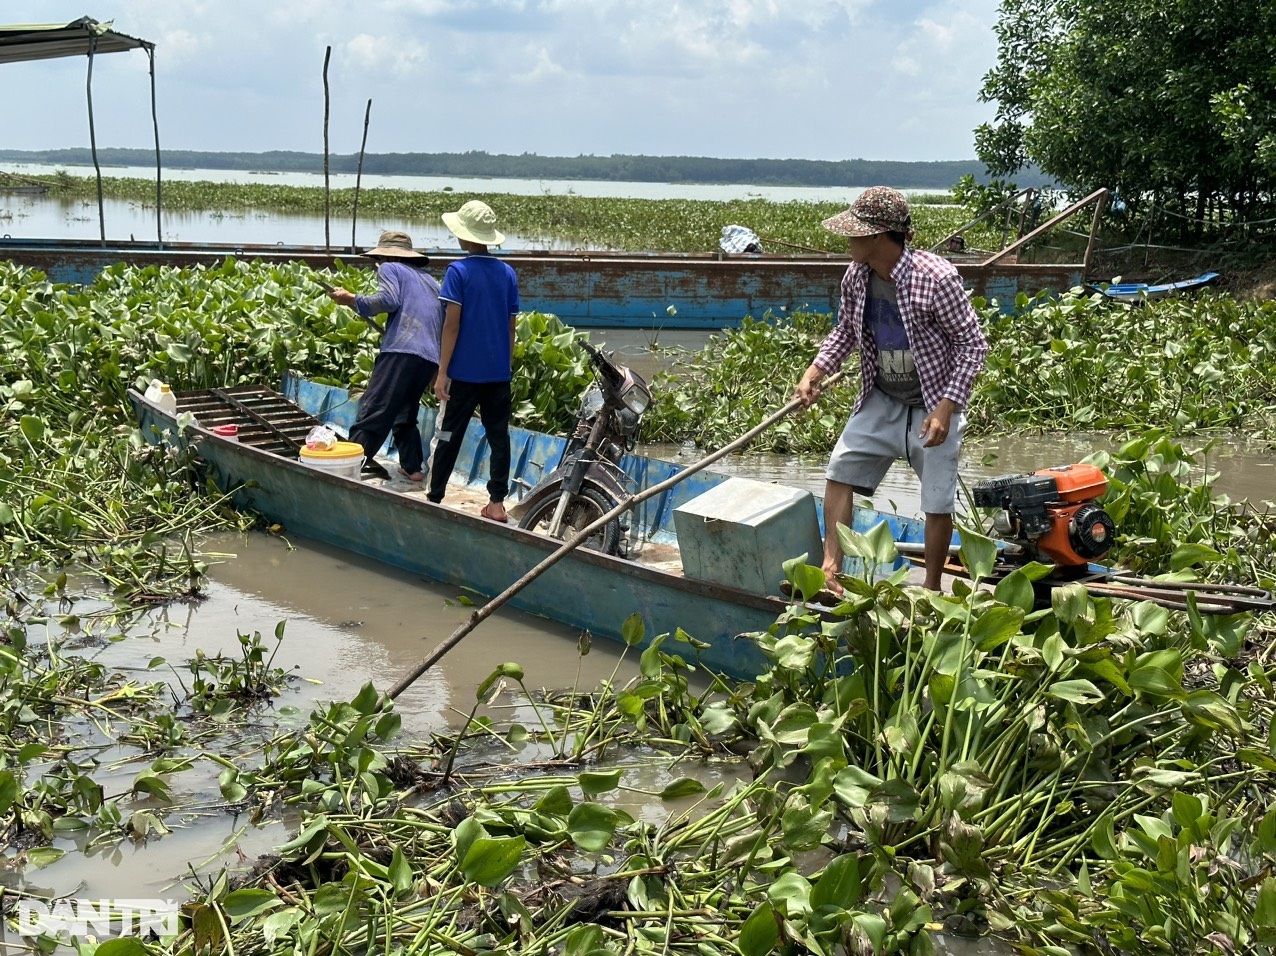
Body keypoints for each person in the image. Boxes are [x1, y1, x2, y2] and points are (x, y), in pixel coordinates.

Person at [794, 186, 989, 593]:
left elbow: (972, 346)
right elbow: (846, 331)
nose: (848, 240)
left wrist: (947, 408)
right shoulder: (857, 276)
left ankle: (931, 589)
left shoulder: (936, 278)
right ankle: (832, 571)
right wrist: (815, 370)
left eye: (855, 232)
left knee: (936, 500)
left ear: (880, 236)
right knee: (839, 471)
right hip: (881, 396)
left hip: (934, 401)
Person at [427, 200, 520, 522]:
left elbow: (451, 325)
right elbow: (511, 327)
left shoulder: (458, 271)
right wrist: (504, 367)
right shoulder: (507, 273)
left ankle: (435, 496)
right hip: (498, 374)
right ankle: (496, 503)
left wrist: (442, 372)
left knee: (449, 434)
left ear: (463, 236)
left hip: (464, 374)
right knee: (499, 438)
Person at [328, 230, 443, 482]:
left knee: (375, 409)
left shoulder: (390, 269)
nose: (377, 265)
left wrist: (351, 299)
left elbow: (388, 300)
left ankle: (346, 470)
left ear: (387, 257)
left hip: (401, 350)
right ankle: (413, 468)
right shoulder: (431, 282)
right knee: (404, 412)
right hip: (428, 358)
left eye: (378, 260)